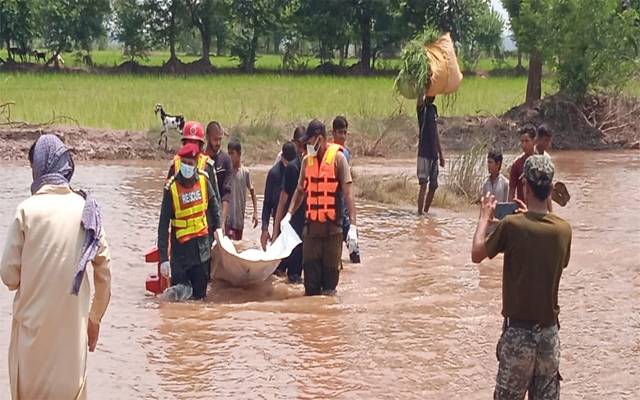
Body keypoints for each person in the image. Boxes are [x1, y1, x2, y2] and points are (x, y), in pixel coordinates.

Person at [1, 134, 111, 399]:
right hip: (71, 348)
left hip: (30, 348)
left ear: (39, 167)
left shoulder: (27, 211)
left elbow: (8, 276)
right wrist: (94, 318)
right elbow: (104, 268)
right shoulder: (87, 210)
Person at [471, 155, 572, 400]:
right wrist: (530, 216)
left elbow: (477, 254)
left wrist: (484, 218)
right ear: (550, 187)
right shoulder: (563, 230)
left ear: (525, 185)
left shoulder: (512, 226)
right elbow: (558, 261)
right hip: (549, 337)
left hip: (518, 335)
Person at [282, 119, 358, 295]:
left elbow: (348, 194)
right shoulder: (307, 161)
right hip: (311, 232)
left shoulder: (339, 159)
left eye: (309, 142)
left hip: (333, 232)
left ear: (320, 139)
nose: (307, 145)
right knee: (311, 288)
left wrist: (353, 227)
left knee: (329, 289)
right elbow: (300, 191)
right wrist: (288, 215)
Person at [158, 142, 221, 300]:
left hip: (202, 252)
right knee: (179, 301)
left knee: (200, 299)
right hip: (180, 254)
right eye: (184, 163)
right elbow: (163, 225)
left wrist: (219, 233)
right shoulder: (171, 188)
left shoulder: (203, 181)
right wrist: (163, 259)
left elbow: (215, 208)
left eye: (190, 163)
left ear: (196, 163)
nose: (187, 166)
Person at [273, 141, 305, 283]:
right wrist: (275, 233)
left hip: (309, 229)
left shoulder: (317, 167)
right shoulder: (293, 168)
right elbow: (282, 201)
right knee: (294, 277)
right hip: (293, 230)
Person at [331, 115, 361, 263]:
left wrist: (352, 219)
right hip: (334, 210)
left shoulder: (346, 153)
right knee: (334, 257)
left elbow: (348, 187)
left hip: (345, 209)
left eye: (345, 133)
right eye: (339, 133)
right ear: (333, 133)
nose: (342, 136)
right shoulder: (329, 154)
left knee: (355, 253)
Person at [416, 95, 445, 215]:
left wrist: (441, 155)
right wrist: (422, 88)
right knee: (423, 184)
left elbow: (435, 132)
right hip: (423, 152)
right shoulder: (422, 109)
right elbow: (419, 102)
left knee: (433, 186)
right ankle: (420, 213)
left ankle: (425, 212)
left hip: (433, 154)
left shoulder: (433, 109)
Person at [261, 142, 292, 251]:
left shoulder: (299, 171)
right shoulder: (274, 174)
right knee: (278, 265)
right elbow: (267, 204)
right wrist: (264, 229)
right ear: (282, 157)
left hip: (296, 226)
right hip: (278, 226)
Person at [225, 139, 258, 240]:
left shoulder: (245, 172)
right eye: (228, 153)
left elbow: (252, 191)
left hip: (239, 220)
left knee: (238, 245)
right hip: (227, 219)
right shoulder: (226, 172)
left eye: (232, 153)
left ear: (239, 154)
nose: (230, 156)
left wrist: (255, 212)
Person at [205, 121, 233, 227]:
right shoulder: (201, 159)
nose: (218, 143)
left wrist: (222, 222)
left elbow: (227, 193)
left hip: (220, 213)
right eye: (215, 139)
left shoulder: (225, 160)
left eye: (220, 139)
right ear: (207, 137)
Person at [508, 124, 536, 202]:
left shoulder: (542, 162)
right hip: (522, 208)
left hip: (538, 208)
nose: (523, 145)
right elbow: (511, 191)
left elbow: (547, 192)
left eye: (527, 141)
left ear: (534, 141)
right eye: (522, 141)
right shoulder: (517, 164)